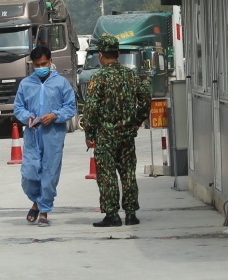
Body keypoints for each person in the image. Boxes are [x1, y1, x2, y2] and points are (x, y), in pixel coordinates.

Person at [81, 34, 151, 227]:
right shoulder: (131, 75)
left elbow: (91, 108)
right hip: (127, 135)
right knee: (128, 173)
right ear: (118, 54)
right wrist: (136, 120)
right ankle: (131, 213)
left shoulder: (98, 78)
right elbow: (145, 100)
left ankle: (112, 214)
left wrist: (89, 134)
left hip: (105, 136)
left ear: (101, 54)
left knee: (107, 175)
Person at [13, 44, 77, 228]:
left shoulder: (61, 83)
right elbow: (19, 107)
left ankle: (44, 211)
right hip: (33, 137)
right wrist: (28, 117)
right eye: (37, 65)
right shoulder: (26, 84)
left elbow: (70, 107)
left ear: (51, 61)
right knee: (29, 175)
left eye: (44, 63)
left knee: (49, 175)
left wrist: (55, 115)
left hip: (53, 137)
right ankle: (36, 201)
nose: (41, 68)